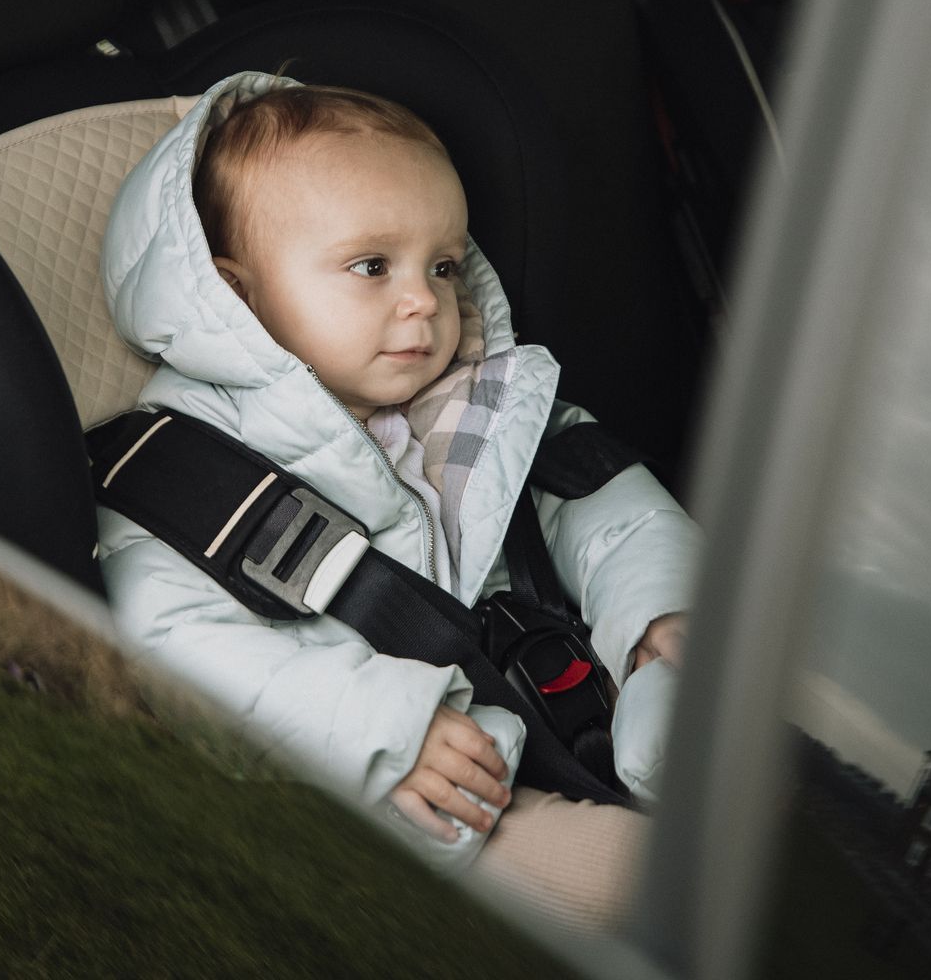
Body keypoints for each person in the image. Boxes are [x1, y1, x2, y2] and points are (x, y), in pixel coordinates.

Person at [97, 71, 700, 935]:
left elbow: (604, 502)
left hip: (561, 711)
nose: (425, 298)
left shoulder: (483, 402)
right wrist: (381, 731)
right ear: (238, 294)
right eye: (371, 265)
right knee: (656, 890)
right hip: (400, 800)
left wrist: (655, 616)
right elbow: (172, 643)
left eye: (444, 264)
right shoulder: (184, 471)